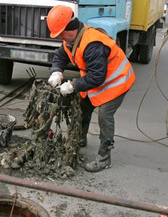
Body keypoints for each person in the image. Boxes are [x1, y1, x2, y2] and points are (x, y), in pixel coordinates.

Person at [46, 5, 135, 172]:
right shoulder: (71, 40)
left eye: (60, 34)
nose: (60, 38)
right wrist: (56, 71)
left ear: (68, 29)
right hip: (98, 79)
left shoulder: (92, 43)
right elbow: (60, 56)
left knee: (105, 116)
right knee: (83, 106)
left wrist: (73, 85)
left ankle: (104, 159)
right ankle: (80, 139)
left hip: (118, 81)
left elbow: (96, 77)